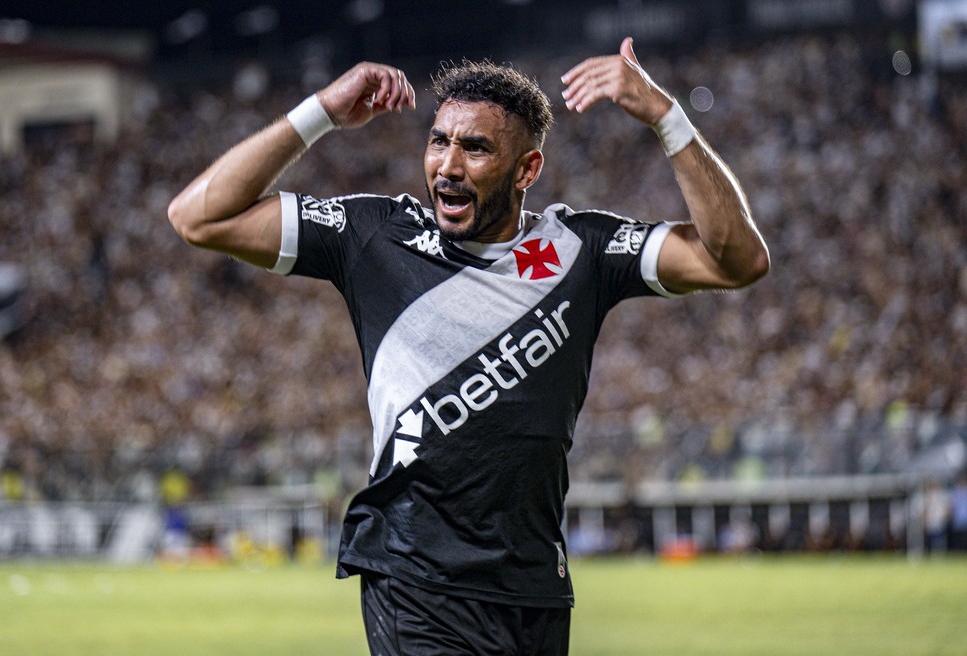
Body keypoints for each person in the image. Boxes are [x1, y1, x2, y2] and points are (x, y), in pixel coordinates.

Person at [168, 36, 768, 655]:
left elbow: (739, 260)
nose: (448, 166)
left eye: (475, 148)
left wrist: (667, 117)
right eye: (439, 142)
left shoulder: (581, 250)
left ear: (527, 170)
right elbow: (198, 217)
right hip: (413, 579)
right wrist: (321, 111)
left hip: (532, 589)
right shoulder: (375, 236)